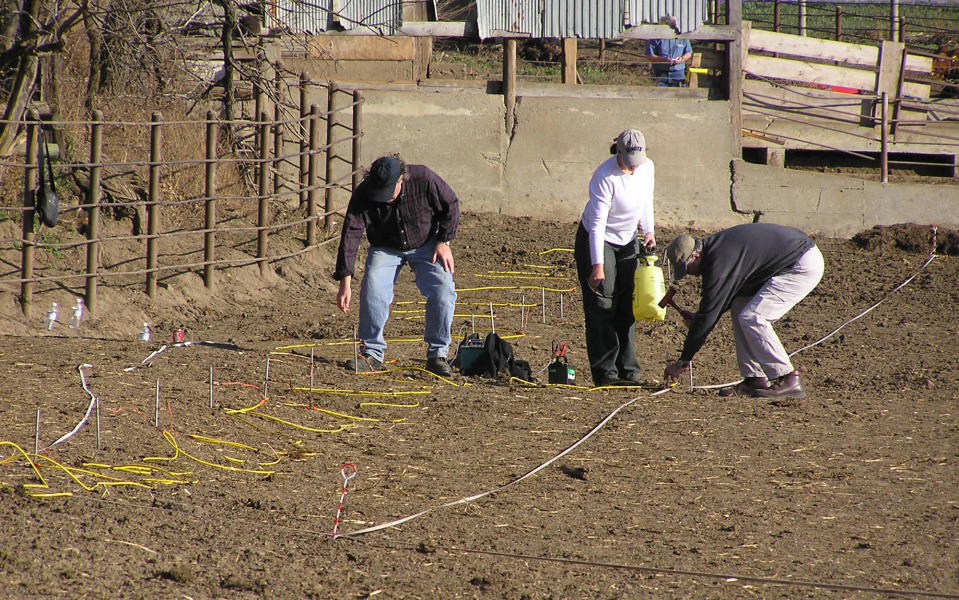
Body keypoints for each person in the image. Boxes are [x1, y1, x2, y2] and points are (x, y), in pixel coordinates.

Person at [662, 223, 825, 399]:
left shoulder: (720, 265)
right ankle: (754, 379)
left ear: (695, 256)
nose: (690, 274)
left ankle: (788, 378)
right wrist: (702, 318)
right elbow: (715, 307)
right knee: (740, 306)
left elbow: (710, 313)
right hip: (782, 261)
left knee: (754, 317)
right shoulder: (715, 249)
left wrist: (682, 362)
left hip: (800, 263)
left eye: (687, 269)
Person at [333, 154, 459, 377]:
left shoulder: (424, 179)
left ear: (402, 179)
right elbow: (351, 234)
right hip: (385, 247)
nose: (383, 198)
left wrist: (443, 240)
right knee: (373, 290)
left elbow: (450, 204)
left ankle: (437, 355)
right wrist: (345, 281)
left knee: (443, 290)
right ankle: (371, 353)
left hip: (426, 243)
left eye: (388, 192)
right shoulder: (365, 193)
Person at [574, 129, 656, 387]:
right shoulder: (604, 177)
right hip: (600, 240)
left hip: (628, 238)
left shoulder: (647, 168)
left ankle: (628, 369)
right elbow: (597, 224)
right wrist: (597, 266)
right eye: (629, 159)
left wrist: (649, 231)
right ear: (618, 151)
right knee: (602, 302)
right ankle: (605, 372)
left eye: (637, 160)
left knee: (628, 302)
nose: (633, 167)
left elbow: (646, 200)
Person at [646, 17, 693, 87]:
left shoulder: (683, 36)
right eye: (672, 26)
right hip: (660, 73)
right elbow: (649, 55)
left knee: (679, 95)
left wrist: (682, 59)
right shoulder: (657, 36)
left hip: (678, 72)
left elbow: (688, 52)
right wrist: (663, 60)